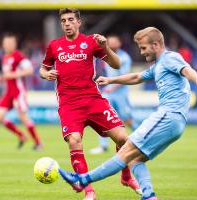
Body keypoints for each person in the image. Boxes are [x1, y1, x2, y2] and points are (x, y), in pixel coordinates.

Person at [58, 27, 197, 200]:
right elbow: (137, 77)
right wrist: (111, 79)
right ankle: (148, 195)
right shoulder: (158, 65)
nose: (142, 52)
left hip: (168, 115)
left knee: (126, 151)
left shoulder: (170, 58)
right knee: (135, 160)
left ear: (155, 45)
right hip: (176, 123)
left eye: (144, 48)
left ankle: (82, 180)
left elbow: (186, 70)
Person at [39, 8, 141, 200]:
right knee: (74, 140)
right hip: (69, 103)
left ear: (79, 22)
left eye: (70, 20)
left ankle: (126, 177)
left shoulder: (90, 42)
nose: (67, 23)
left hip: (93, 100)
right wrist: (46, 74)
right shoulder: (54, 46)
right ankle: (89, 191)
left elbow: (117, 65)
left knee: (123, 138)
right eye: (63, 21)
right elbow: (43, 69)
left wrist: (106, 47)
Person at [90, 34, 139, 155]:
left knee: (127, 119)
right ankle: (103, 146)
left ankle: (142, 139)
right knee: (103, 117)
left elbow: (125, 77)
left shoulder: (125, 58)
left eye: (113, 42)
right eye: (109, 42)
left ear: (119, 44)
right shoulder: (107, 56)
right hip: (109, 93)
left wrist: (111, 88)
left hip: (120, 93)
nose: (111, 44)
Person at [0, 33, 42, 150]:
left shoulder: (19, 56)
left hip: (19, 92)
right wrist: (3, 77)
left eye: (10, 43)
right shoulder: (4, 58)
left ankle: (38, 143)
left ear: (14, 44)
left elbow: (30, 70)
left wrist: (12, 75)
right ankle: (21, 135)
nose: (7, 45)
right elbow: (7, 75)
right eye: (6, 43)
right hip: (9, 92)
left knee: (23, 117)